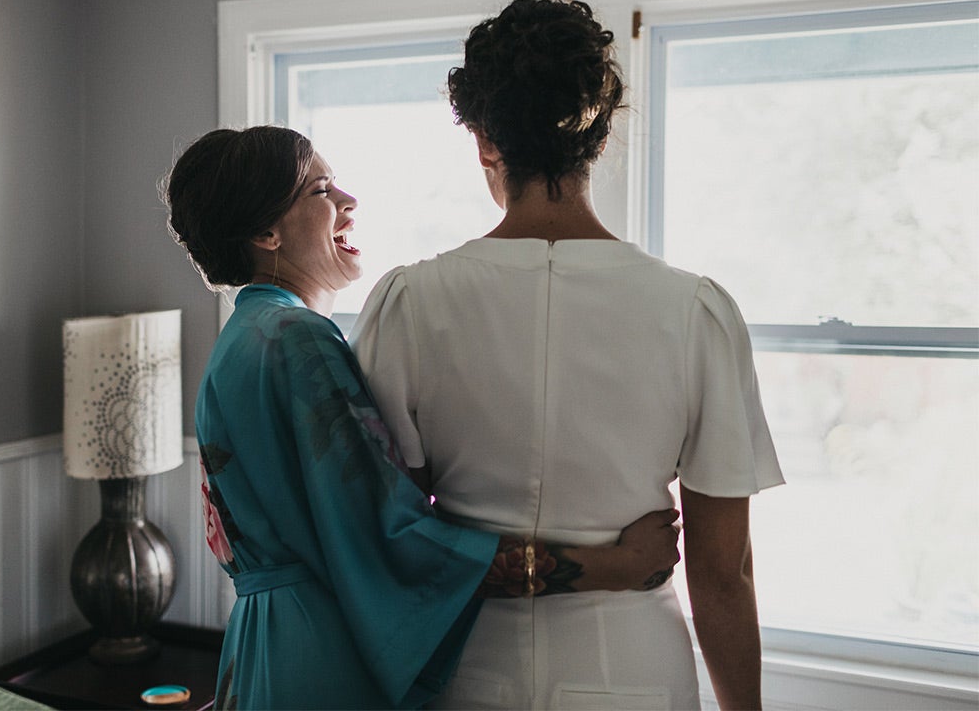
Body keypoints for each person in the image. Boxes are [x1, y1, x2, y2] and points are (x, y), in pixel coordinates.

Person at [351, 0, 785, 710]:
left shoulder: (410, 304)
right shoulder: (694, 312)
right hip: (633, 671)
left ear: (487, 140)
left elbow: (393, 529)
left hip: (466, 667)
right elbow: (723, 569)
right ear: (600, 138)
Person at [162, 125, 685, 710]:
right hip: (319, 657)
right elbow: (395, 543)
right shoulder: (296, 340)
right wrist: (612, 566)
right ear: (266, 232)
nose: (348, 202)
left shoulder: (243, 339)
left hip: (265, 641)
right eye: (322, 190)